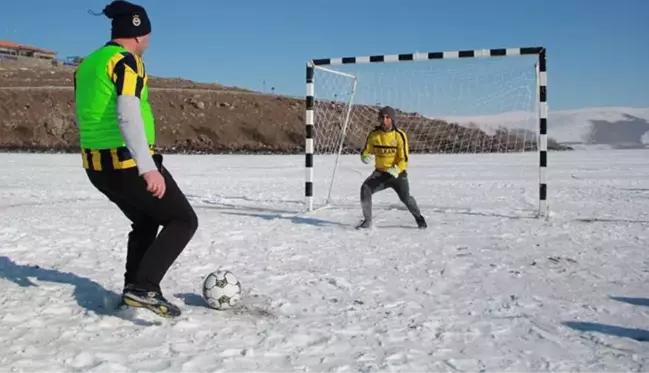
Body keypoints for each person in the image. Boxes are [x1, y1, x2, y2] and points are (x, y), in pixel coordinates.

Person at [74, 0, 198, 317]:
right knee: (183, 220)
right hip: (127, 163)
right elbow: (127, 114)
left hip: (96, 167)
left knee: (145, 220)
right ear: (140, 34)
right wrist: (148, 168)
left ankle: (133, 290)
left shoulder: (87, 64)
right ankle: (145, 287)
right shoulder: (126, 61)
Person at [356, 106, 427, 229]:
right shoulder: (374, 135)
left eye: (387, 117)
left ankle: (419, 218)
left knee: (406, 198)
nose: (384, 120)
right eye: (382, 117)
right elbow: (366, 151)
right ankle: (367, 221)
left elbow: (404, 159)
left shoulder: (399, 135)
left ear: (392, 119)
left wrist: (397, 169)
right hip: (380, 174)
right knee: (365, 189)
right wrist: (364, 157)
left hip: (397, 174)